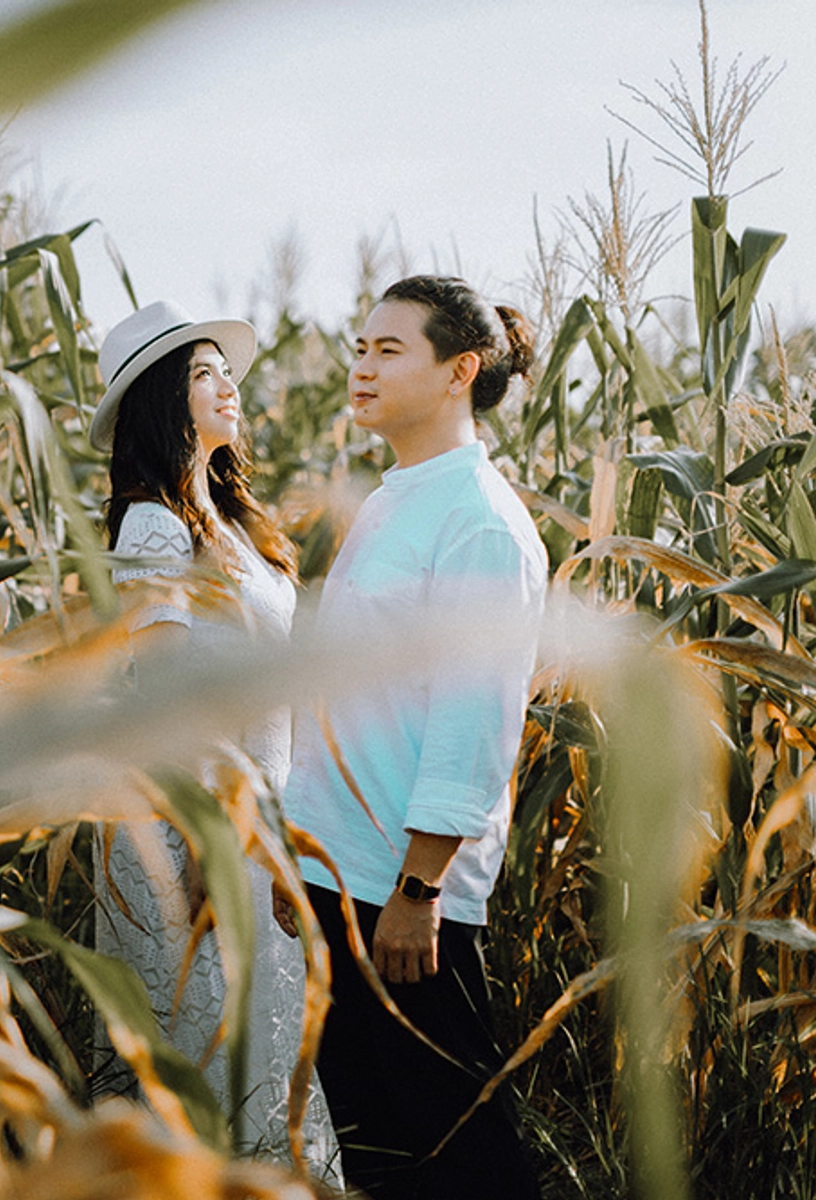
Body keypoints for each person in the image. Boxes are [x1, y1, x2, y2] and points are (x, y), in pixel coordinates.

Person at [277, 276, 547, 1198]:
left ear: (458, 371)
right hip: (339, 872)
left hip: (405, 892)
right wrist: (301, 855)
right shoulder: (395, 498)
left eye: (389, 350)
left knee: (461, 1145)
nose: (361, 366)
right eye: (360, 347)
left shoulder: (480, 522)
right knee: (375, 1140)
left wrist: (420, 886)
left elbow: (474, 719)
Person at [87, 300, 341, 1186]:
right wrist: (204, 849)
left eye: (225, 370)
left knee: (260, 1059)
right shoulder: (153, 526)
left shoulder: (228, 521)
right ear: (164, 400)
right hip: (187, 830)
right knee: (210, 1061)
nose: (228, 384)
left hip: (252, 825)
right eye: (203, 374)